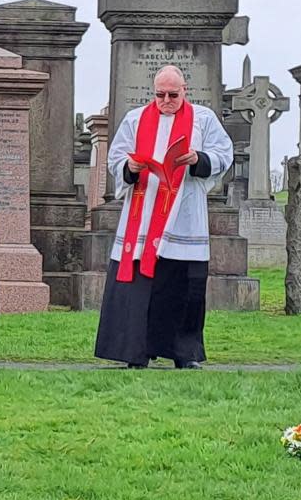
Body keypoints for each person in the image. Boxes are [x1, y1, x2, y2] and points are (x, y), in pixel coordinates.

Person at [94, 65, 234, 369]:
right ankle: (135, 353)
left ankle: (184, 354)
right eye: (160, 94)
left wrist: (199, 159)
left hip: (183, 213)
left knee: (183, 288)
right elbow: (116, 157)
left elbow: (224, 153)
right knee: (138, 289)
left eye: (173, 94)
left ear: (185, 90)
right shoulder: (135, 119)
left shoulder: (203, 119)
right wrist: (130, 168)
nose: (166, 100)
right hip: (142, 215)